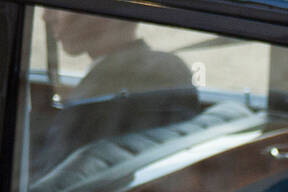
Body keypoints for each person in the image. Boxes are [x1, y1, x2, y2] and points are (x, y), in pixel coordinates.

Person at [36, 9, 199, 173]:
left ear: (105, 12)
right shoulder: (173, 67)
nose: (45, 16)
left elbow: (49, 183)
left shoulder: (96, 95)